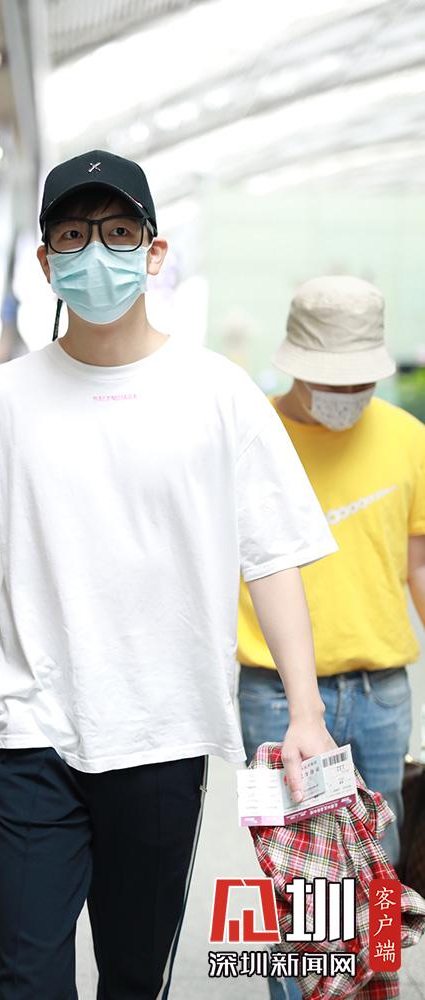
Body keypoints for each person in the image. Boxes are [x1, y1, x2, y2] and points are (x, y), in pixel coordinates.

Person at [0, 149, 338, 1000]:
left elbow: (270, 558)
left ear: (153, 252)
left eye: (117, 233)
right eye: (72, 236)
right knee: (28, 983)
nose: (94, 253)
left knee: (133, 977)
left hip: (164, 732)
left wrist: (306, 713)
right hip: (33, 732)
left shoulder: (219, 394)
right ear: (45, 262)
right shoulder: (3, 400)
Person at [237, 275, 424, 998]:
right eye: (330, 379)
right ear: (295, 362)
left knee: (378, 865)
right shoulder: (253, 435)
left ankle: (375, 988)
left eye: (359, 379)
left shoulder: (408, 439)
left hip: (382, 692)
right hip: (272, 694)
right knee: (296, 873)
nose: (346, 393)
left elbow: (417, 564)